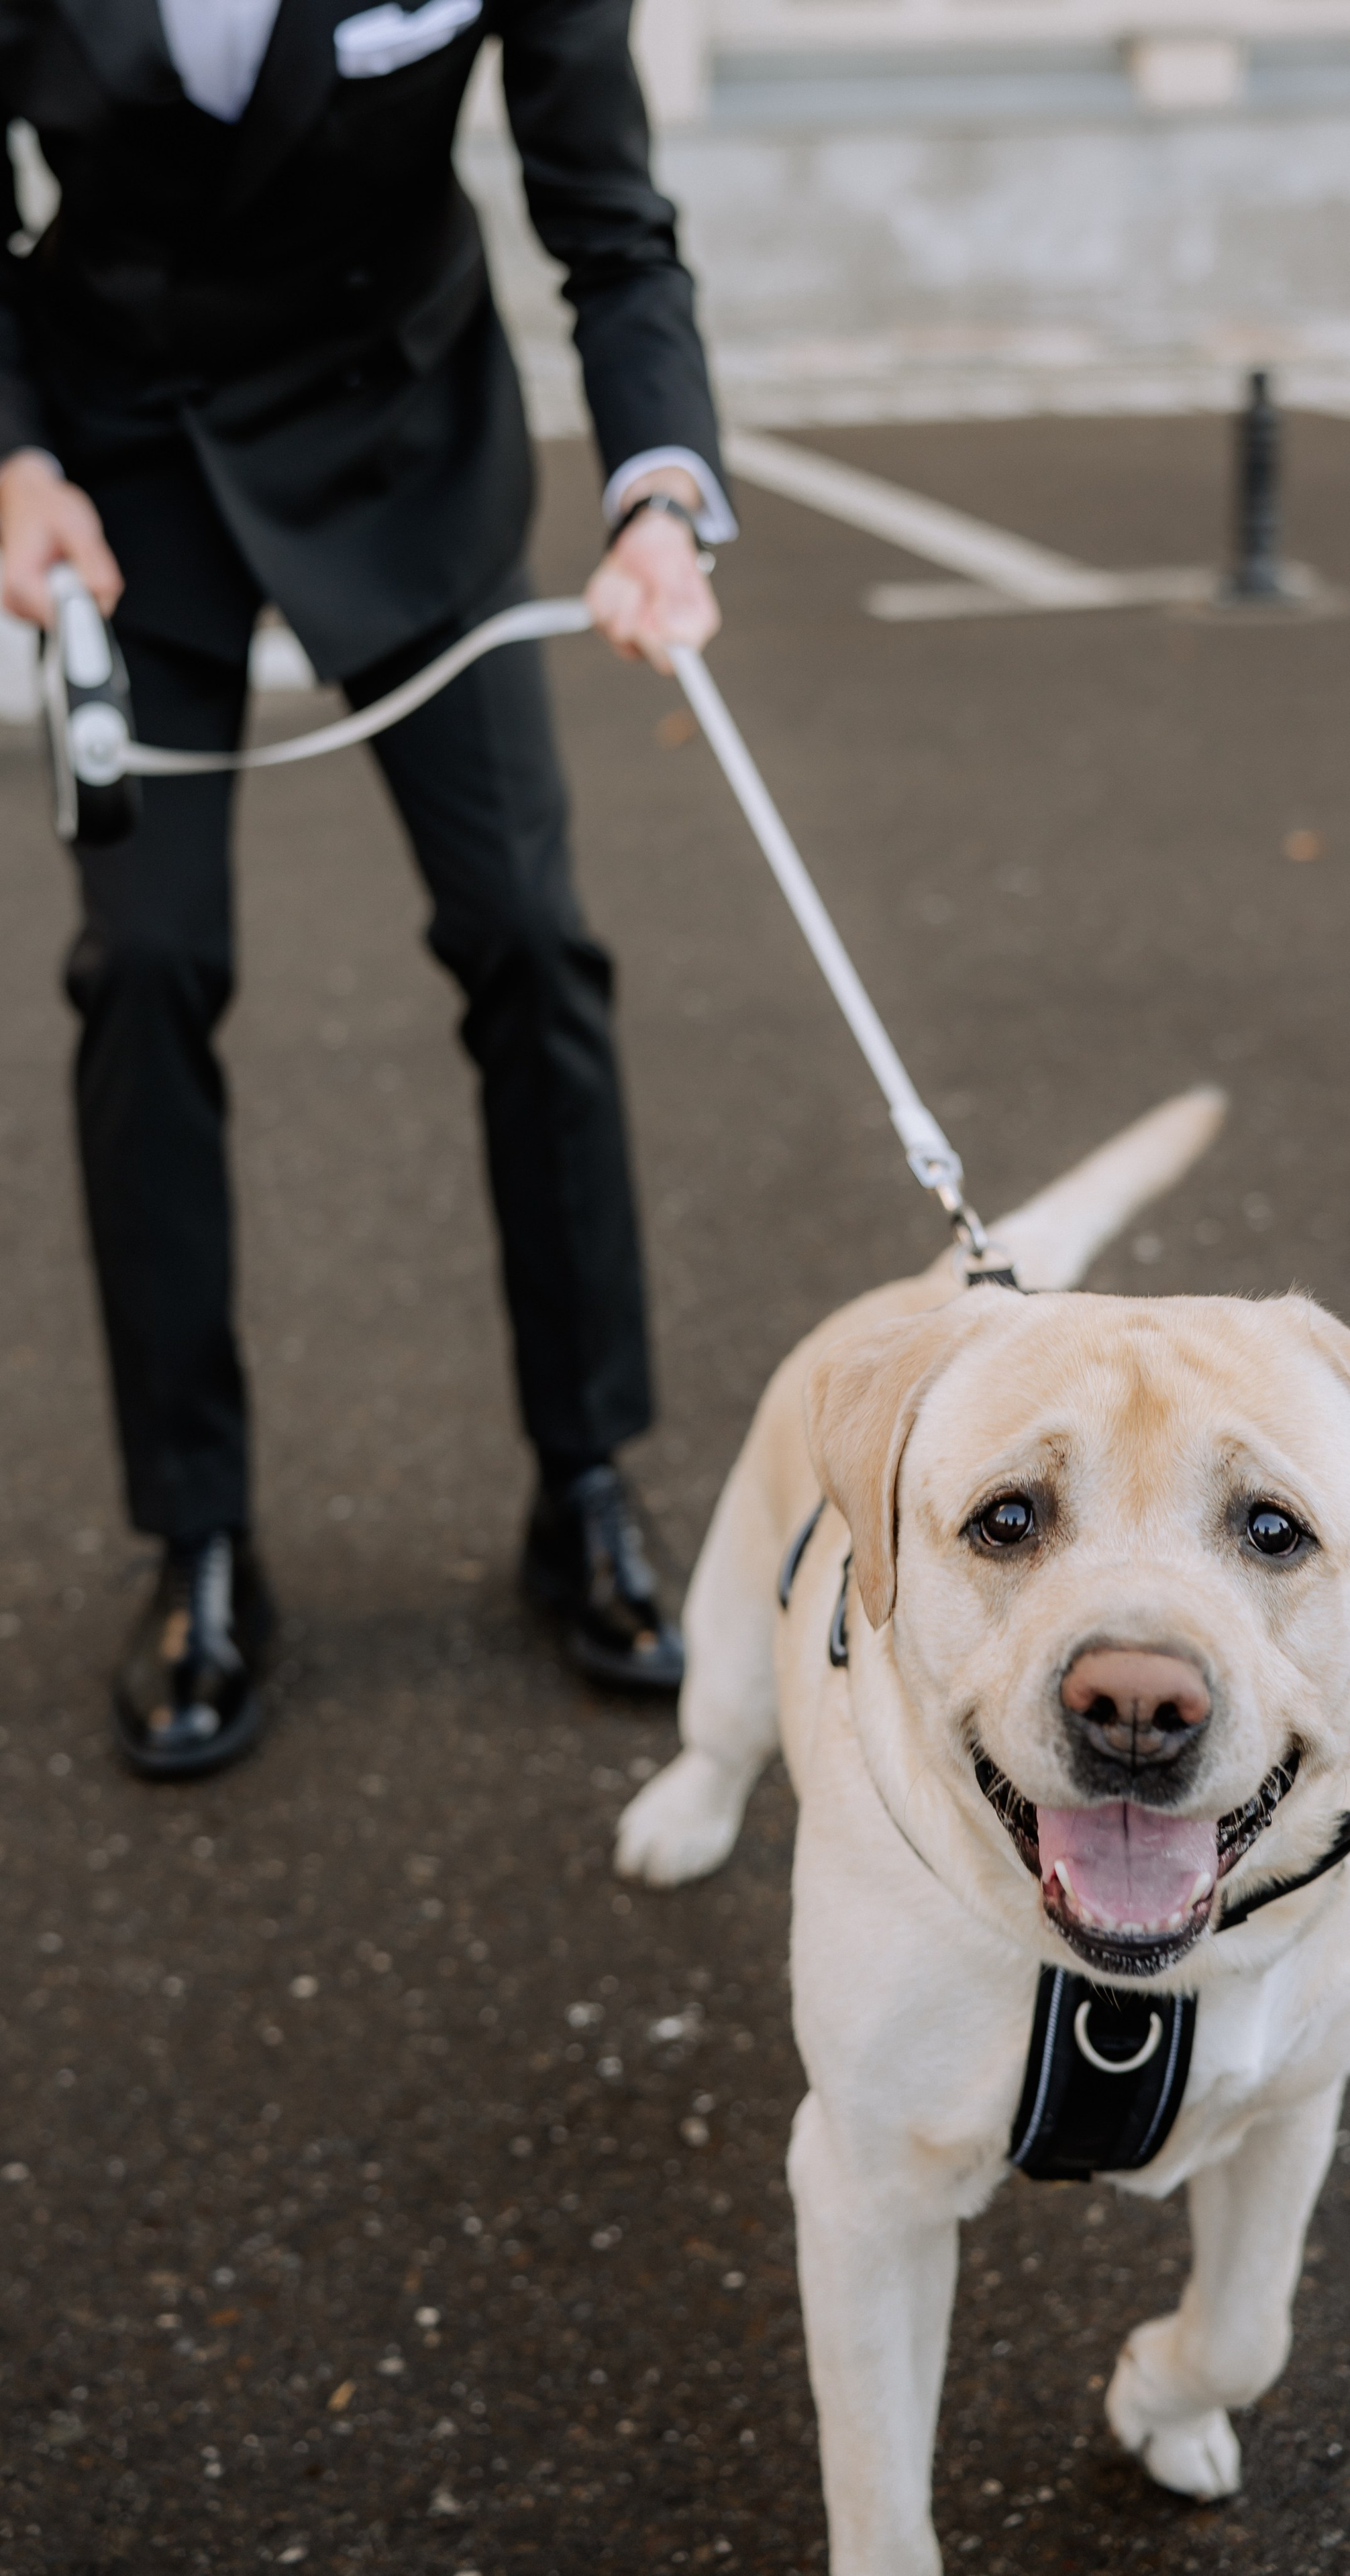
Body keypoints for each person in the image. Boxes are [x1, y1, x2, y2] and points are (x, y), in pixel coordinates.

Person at [0, 0, 733, 1777]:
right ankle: (199, 1543)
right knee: (148, 971)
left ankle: (583, 1485)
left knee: (531, 943)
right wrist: (15, 463)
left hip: (402, 432)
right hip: (120, 464)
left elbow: (608, 220)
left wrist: (660, 496)